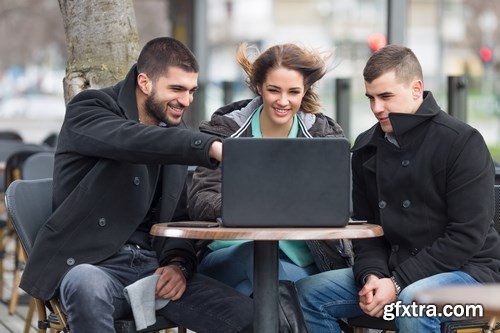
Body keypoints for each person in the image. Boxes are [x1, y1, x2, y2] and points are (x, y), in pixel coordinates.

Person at [19, 37, 253, 333]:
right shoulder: (90, 109)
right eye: (177, 89)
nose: (187, 100)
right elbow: (132, 140)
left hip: (152, 271)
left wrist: (178, 265)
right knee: (85, 283)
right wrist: (210, 147)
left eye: (192, 91)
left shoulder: (174, 135)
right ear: (144, 82)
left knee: (249, 315)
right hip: (93, 265)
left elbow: (177, 219)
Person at [296, 44, 500, 332]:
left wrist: (397, 282)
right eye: (371, 98)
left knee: (413, 303)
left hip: (470, 276)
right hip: (394, 271)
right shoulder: (367, 146)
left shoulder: (462, 142)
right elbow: (367, 231)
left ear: (416, 89)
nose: (376, 108)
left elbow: (466, 236)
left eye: (386, 96)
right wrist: (371, 277)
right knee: (309, 293)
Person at [188, 43, 350, 297]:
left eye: (293, 92)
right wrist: (267, 205)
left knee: (257, 295)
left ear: (304, 90)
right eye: (274, 90)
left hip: (299, 262)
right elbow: (201, 199)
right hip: (228, 255)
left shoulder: (324, 136)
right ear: (259, 87)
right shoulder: (224, 131)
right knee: (259, 261)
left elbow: (338, 204)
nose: (283, 101)